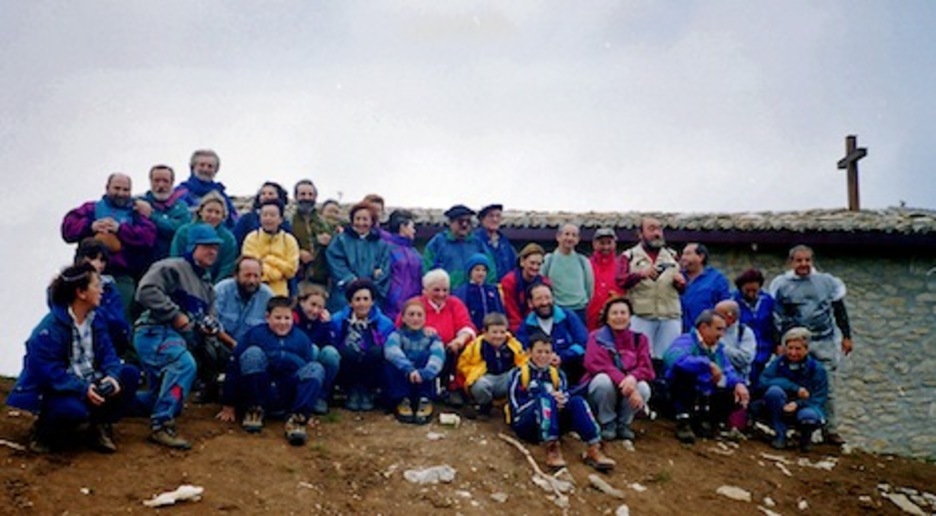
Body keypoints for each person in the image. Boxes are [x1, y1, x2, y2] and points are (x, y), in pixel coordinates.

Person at [8, 263, 141, 454]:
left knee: (129, 375)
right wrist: (82, 389)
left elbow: (109, 354)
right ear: (81, 292)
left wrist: (111, 377)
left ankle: (97, 426)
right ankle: (45, 431)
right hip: (61, 389)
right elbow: (48, 372)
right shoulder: (49, 329)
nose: (101, 290)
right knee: (71, 410)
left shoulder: (96, 319)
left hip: (91, 382)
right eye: (96, 285)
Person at [133, 224, 223, 449]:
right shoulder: (172, 266)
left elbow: (210, 318)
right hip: (154, 331)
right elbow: (145, 291)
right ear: (193, 247)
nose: (212, 251)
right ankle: (161, 426)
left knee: (156, 397)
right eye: (206, 246)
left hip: (179, 338)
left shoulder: (207, 286)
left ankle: (108, 405)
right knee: (184, 366)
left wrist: (208, 327)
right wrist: (175, 314)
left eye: (215, 247)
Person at [768, 244, 853, 445]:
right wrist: (778, 342)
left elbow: (839, 310)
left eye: (807, 260)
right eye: (799, 260)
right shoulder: (782, 284)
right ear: (791, 262)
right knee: (795, 386)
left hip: (823, 340)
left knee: (827, 386)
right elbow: (777, 317)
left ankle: (830, 430)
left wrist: (847, 336)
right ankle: (797, 429)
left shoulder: (827, 282)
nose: (804, 264)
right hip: (795, 343)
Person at [217, 297, 324, 446]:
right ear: (267, 317)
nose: (282, 322)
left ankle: (297, 419)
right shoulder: (254, 335)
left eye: (287, 318)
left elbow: (306, 371)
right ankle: (254, 411)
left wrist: (307, 408)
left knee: (316, 368)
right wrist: (229, 404)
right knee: (252, 354)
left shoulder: (301, 338)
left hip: (286, 391)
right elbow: (234, 367)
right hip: (261, 388)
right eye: (277, 317)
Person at [506, 333, 615, 472]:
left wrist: (561, 401)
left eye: (547, 352)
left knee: (577, 401)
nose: (543, 356)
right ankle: (552, 448)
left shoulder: (558, 375)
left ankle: (594, 446)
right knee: (545, 399)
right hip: (527, 424)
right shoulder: (519, 374)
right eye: (539, 352)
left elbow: (564, 395)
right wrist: (545, 400)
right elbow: (516, 407)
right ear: (529, 352)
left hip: (553, 421)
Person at [61, 173, 157, 319]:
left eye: (126, 190)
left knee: (121, 318)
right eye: (117, 188)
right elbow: (68, 229)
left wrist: (120, 230)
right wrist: (90, 226)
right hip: (88, 275)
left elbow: (148, 237)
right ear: (107, 188)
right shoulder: (91, 209)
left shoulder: (136, 213)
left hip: (122, 276)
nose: (121, 193)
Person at [663, 310, 750, 444]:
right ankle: (683, 420)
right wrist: (707, 364)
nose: (721, 334)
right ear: (704, 327)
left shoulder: (718, 348)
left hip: (705, 393)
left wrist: (739, 383)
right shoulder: (686, 340)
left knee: (735, 393)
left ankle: (706, 421)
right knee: (684, 374)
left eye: (723, 330)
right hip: (681, 391)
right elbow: (674, 360)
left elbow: (728, 369)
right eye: (718, 329)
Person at [583, 297, 654, 441]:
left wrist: (632, 378)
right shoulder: (596, 337)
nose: (619, 317)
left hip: (627, 388)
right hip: (603, 389)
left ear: (630, 317)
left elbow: (646, 368)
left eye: (623, 313)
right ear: (607, 318)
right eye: (614, 313)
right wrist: (625, 382)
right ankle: (607, 422)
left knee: (644, 388)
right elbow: (596, 364)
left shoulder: (640, 339)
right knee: (602, 381)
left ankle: (624, 423)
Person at [615, 217, 686, 360]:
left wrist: (680, 283)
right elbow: (620, 280)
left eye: (659, 229)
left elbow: (683, 288)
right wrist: (640, 275)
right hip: (641, 316)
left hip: (670, 315)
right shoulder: (629, 256)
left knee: (670, 358)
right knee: (640, 357)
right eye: (651, 229)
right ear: (640, 234)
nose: (657, 233)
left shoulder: (672, 256)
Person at [408, 269, 477, 406]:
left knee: (464, 349)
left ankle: (452, 388)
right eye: (436, 290)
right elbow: (402, 329)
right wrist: (420, 332)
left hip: (450, 350)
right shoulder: (414, 304)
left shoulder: (455, 303)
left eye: (445, 290)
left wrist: (460, 339)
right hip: (422, 350)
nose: (441, 294)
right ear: (425, 290)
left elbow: (466, 325)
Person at [758, 327, 828, 452]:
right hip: (781, 403)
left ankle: (805, 439)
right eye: (790, 348)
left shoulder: (817, 370)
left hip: (805, 406)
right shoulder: (778, 363)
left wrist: (797, 404)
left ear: (806, 349)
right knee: (773, 392)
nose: (793, 353)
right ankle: (781, 435)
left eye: (798, 349)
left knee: (809, 416)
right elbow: (763, 381)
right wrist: (794, 388)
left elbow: (818, 397)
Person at [331, 280, 395, 411]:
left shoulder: (385, 323)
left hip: (372, 365)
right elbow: (333, 343)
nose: (362, 303)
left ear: (372, 301)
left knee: (377, 352)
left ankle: (368, 391)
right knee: (347, 352)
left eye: (366, 299)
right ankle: (351, 390)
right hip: (347, 364)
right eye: (357, 299)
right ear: (350, 302)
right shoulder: (337, 320)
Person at [384, 299, 445, 424]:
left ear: (425, 318)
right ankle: (402, 399)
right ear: (404, 318)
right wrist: (409, 369)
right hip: (405, 377)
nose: (415, 318)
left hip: (423, 378)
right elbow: (391, 350)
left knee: (425, 355)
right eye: (411, 315)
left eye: (419, 315)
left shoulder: (432, 337)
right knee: (394, 360)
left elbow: (438, 355)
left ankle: (425, 399)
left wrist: (426, 372)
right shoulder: (397, 335)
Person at [516, 283, 589, 387]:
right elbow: (522, 351)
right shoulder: (527, 325)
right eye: (539, 299)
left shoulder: (568, 316)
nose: (545, 302)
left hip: (573, 375)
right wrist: (544, 358)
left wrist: (562, 357)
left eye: (548, 297)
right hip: (539, 379)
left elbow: (584, 343)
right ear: (530, 303)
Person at [457, 313, 527, 418]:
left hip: (505, 378)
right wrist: (476, 372)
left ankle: (513, 404)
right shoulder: (476, 346)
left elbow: (523, 361)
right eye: (494, 332)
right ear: (485, 332)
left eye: (502, 332)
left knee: (519, 375)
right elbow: (462, 365)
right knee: (480, 386)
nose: (498, 336)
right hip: (485, 378)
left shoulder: (512, 344)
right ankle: (485, 407)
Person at [325, 201, 391, 312]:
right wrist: (352, 281)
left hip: (371, 298)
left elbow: (384, 268)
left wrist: (370, 287)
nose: (361, 223)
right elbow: (335, 262)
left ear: (372, 222)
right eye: (358, 219)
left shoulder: (381, 245)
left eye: (365, 219)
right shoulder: (340, 240)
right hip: (344, 297)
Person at [72, 239, 132, 360]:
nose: (98, 264)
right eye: (93, 258)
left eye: (102, 260)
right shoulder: (65, 284)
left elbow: (118, 321)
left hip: (106, 344)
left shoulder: (109, 287)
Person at [292, 283, 341, 413]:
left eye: (320, 307)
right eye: (312, 305)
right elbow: (300, 341)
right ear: (302, 302)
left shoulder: (323, 321)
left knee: (330, 353)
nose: (315, 311)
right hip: (299, 360)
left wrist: (327, 325)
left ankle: (321, 395)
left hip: (320, 358)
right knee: (311, 349)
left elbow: (334, 343)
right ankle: (303, 392)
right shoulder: (293, 318)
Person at [170, 192, 238, 282]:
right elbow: (175, 258)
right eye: (209, 211)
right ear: (201, 212)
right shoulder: (183, 232)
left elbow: (226, 268)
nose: (213, 215)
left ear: (223, 216)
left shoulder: (228, 239)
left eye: (217, 212)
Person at [423, 204, 495, 289]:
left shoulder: (478, 243)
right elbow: (427, 271)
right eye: (460, 221)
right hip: (447, 296)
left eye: (468, 221)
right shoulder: (437, 243)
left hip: (473, 294)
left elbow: (490, 269)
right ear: (450, 222)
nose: (464, 225)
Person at [242, 199, 301, 297]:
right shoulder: (252, 238)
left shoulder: (289, 240)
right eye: (264, 215)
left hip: (280, 295)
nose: (268, 218)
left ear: (280, 219)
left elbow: (291, 270)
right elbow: (251, 267)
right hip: (254, 292)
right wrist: (278, 273)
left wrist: (270, 259)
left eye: (272, 215)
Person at [213, 256, 275, 344]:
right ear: (236, 275)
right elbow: (212, 322)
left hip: (251, 349)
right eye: (247, 275)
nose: (252, 281)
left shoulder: (268, 296)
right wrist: (233, 344)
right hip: (219, 344)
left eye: (256, 276)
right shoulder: (222, 289)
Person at [136, 164, 190, 264]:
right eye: (156, 181)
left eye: (165, 181)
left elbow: (179, 229)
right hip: (143, 263)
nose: (161, 185)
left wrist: (151, 216)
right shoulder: (138, 204)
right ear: (150, 182)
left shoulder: (181, 207)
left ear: (172, 182)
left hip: (172, 262)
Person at [732, 268, 777, 388]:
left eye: (755, 290)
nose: (751, 294)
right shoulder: (732, 302)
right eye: (747, 290)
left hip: (765, 350)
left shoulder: (768, 301)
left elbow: (776, 325)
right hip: (743, 352)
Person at [173, 149, 238, 228]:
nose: (205, 169)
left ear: (216, 170)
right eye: (202, 165)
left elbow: (233, 222)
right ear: (193, 167)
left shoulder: (222, 196)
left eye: (210, 166)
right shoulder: (180, 193)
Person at [542, 223, 594, 323]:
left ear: (578, 239)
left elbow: (589, 287)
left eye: (574, 235)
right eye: (567, 234)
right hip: (556, 308)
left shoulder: (583, 261)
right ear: (558, 237)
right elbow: (542, 282)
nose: (570, 238)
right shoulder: (549, 260)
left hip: (579, 309)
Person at [679, 243, 731, 332]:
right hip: (680, 333)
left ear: (701, 257)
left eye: (688, 254)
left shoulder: (717, 279)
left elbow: (725, 307)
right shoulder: (677, 277)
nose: (683, 258)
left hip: (706, 334)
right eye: (683, 254)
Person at [291, 180, 334, 286]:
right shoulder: (288, 221)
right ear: (296, 197)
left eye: (310, 194)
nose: (307, 198)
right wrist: (298, 252)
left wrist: (330, 241)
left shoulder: (325, 223)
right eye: (303, 194)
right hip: (296, 278)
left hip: (321, 279)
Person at [500, 243, 550, 333]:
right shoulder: (509, 281)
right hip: (513, 326)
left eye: (538, 264)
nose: (535, 267)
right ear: (522, 261)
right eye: (532, 263)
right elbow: (511, 311)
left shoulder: (545, 283)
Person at [384, 209, 423, 321]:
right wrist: (393, 298)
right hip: (392, 308)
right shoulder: (387, 249)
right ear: (402, 227)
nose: (414, 231)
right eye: (412, 227)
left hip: (414, 306)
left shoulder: (414, 252)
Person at [453, 253, 505, 331]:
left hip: (492, 331)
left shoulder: (492, 290)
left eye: (484, 270)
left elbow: (500, 310)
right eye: (477, 270)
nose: (481, 273)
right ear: (470, 272)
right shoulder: (463, 291)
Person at [585, 227, 624, 330]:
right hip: (590, 319)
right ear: (594, 244)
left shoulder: (622, 265)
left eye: (609, 242)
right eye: (602, 243)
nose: (606, 247)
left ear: (615, 244)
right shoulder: (586, 264)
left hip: (616, 319)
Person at [233, 182, 292, 248]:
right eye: (263, 194)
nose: (266, 196)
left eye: (271, 194)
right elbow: (236, 241)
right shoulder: (247, 219)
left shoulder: (284, 222)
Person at [714, 300, 756, 384]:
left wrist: (720, 347)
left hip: (738, 383)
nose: (714, 318)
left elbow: (745, 359)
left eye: (718, 315)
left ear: (730, 317)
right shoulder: (712, 329)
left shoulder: (745, 332)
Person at [474, 203, 517, 282]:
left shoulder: (506, 244)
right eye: (491, 216)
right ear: (482, 220)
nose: (495, 219)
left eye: (498, 216)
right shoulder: (475, 241)